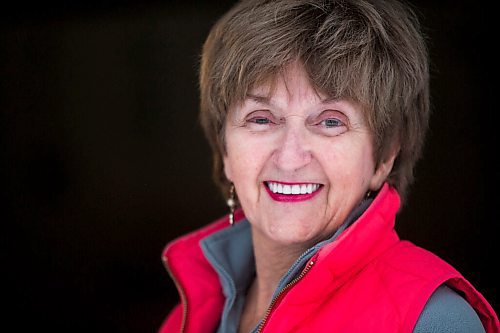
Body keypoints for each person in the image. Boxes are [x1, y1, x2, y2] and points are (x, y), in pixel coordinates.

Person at [159, 0, 499, 332]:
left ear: (384, 158)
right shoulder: (187, 318)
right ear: (226, 151)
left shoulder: (431, 320)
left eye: (330, 122)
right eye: (261, 119)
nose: (290, 158)